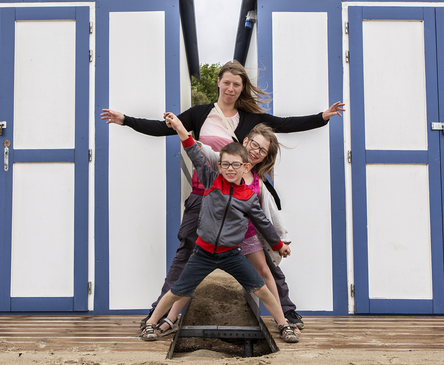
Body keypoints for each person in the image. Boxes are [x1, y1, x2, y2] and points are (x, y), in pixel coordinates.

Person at [101, 60, 345, 328]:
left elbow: (283, 123)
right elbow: (164, 128)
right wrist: (125, 120)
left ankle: (285, 312)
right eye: (227, 82)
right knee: (185, 255)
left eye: (236, 84)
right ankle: (158, 315)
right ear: (218, 82)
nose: (230, 88)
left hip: (241, 199)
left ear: (242, 88)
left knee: (263, 258)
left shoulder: (250, 119)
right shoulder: (200, 114)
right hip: (202, 194)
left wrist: (321, 117)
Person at [140, 114, 298, 343]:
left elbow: (264, 222)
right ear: (219, 164)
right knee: (177, 290)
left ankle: (284, 325)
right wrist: (179, 127)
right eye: (225, 164)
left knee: (261, 288)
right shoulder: (210, 178)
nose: (230, 169)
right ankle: (152, 323)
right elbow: (193, 151)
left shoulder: (248, 195)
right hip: (203, 253)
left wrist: (278, 244)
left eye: (236, 165)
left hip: (231, 254)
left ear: (244, 166)